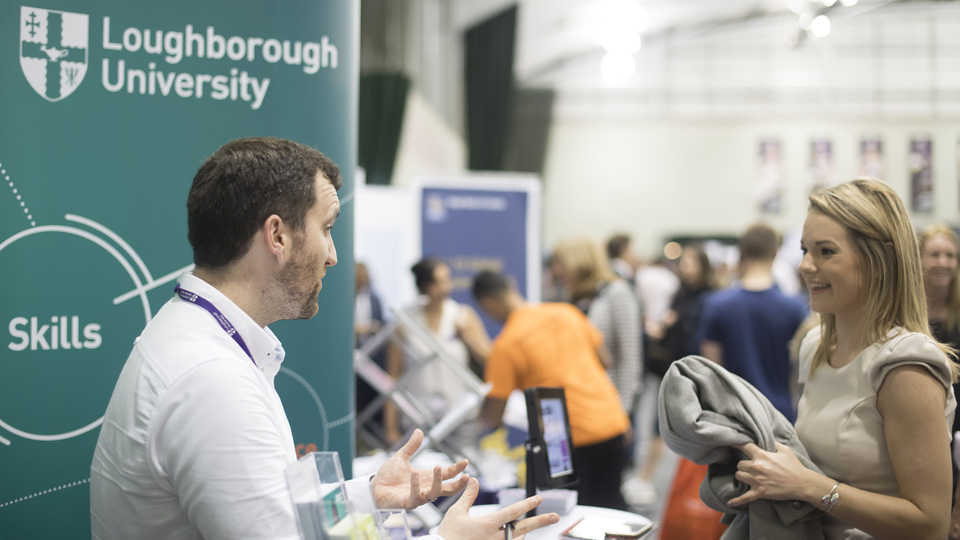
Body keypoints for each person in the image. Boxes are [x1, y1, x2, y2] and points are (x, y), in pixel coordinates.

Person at [89, 137, 557, 540]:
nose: (333, 256)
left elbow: (272, 507)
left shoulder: (198, 340)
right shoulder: (213, 381)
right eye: (327, 228)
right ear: (277, 235)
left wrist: (368, 494)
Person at [730, 179, 959, 540]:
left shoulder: (906, 364)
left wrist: (809, 486)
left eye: (826, 251)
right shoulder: (815, 346)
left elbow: (929, 524)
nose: (806, 266)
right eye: (805, 250)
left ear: (881, 260)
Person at [472, 270, 631, 510]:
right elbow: (605, 360)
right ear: (512, 286)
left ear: (488, 303)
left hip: (563, 440)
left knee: (571, 516)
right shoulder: (567, 313)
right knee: (611, 508)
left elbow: (493, 415)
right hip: (610, 422)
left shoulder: (506, 344)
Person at [698, 224, 808, 422]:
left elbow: (712, 370)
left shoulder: (717, 305)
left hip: (734, 416)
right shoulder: (794, 308)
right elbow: (800, 370)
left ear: (742, 252)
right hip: (780, 415)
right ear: (775, 252)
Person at [384, 257, 492, 443]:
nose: (446, 287)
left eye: (447, 280)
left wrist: (468, 338)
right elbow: (393, 377)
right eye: (438, 282)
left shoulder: (463, 315)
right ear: (425, 286)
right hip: (417, 418)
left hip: (459, 417)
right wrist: (390, 428)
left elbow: (488, 358)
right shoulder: (405, 322)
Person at [553, 237, 643, 416]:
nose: (557, 271)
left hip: (610, 403)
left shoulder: (617, 292)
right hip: (579, 401)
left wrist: (623, 409)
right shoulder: (572, 296)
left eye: (561, 264)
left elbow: (629, 356)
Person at [918, 224, 960, 539]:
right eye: (934, 255)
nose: (943, 262)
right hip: (921, 421)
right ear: (919, 260)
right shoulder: (907, 313)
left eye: (950, 255)